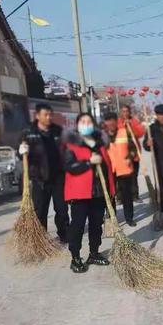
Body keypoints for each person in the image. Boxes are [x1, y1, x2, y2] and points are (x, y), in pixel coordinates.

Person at [63, 113, 114, 273]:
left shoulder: (99, 144)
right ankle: (75, 257)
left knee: (96, 225)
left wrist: (111, 190)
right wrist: (88, 162)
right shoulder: (71, 145)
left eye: (89, 122)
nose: (86, 124)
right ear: (77, 125)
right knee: (77, 226)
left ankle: (94, 253)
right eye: (83, 122)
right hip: (80, 194)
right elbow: (69, 166)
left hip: (98, 192)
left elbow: (107, 168)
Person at [19, 103, 69, 243]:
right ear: (37, 115)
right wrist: (21, 152)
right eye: (45, 115)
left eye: (50, 115)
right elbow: (22, 156)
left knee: (62, 208)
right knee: (40, 210)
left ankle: (64, 233)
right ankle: (41, 238)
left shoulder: (58, 131)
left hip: (58, 176)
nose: (48, 117)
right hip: (39, 178)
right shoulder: (28, 132)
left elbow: (66, 150)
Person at [103, 112, 136, 227]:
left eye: (112, 120)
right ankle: (112, 218)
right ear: (105, 123)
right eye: (108, 120)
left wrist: (130, 157)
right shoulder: (102, 136)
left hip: (124, 169)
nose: (110, 123)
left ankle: (129, 218)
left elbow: (133, 149)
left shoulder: (124, 132)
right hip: (109, 170)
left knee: (127, 195)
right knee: (110, 195)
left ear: (116, 121)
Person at [118, 105, 145, 202]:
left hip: (134, 154)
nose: (125, 113)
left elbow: (141, 132)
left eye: (126, 111)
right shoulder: (118, 122)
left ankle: (135, 195)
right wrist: (123, 126)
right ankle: (120, 197)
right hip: (121, 156)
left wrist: (131, 126)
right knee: (121, 177)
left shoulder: (134, 121)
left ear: (129, 112)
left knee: (134, 176)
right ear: (120, 112)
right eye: (123, 111)